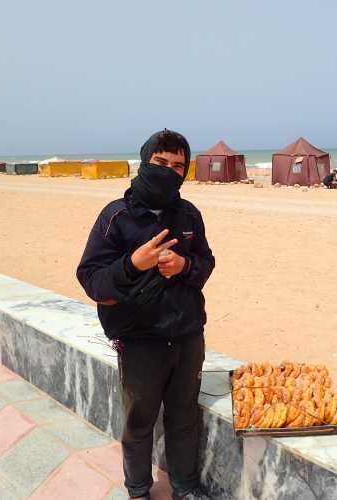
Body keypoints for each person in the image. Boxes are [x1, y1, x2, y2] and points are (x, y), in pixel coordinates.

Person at [76, 129, 215, 500]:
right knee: (139, 422)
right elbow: (90, 280)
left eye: (177, 166)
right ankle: (138, 490)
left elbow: (206, 264)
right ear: (144, 161)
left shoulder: (188, 214)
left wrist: (184, 265)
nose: (168, 171)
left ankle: (184, 487)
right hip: (139, 341)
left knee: (184, 419)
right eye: (160, 163)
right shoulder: (116, 216)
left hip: (186, 335)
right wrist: (133, 264)